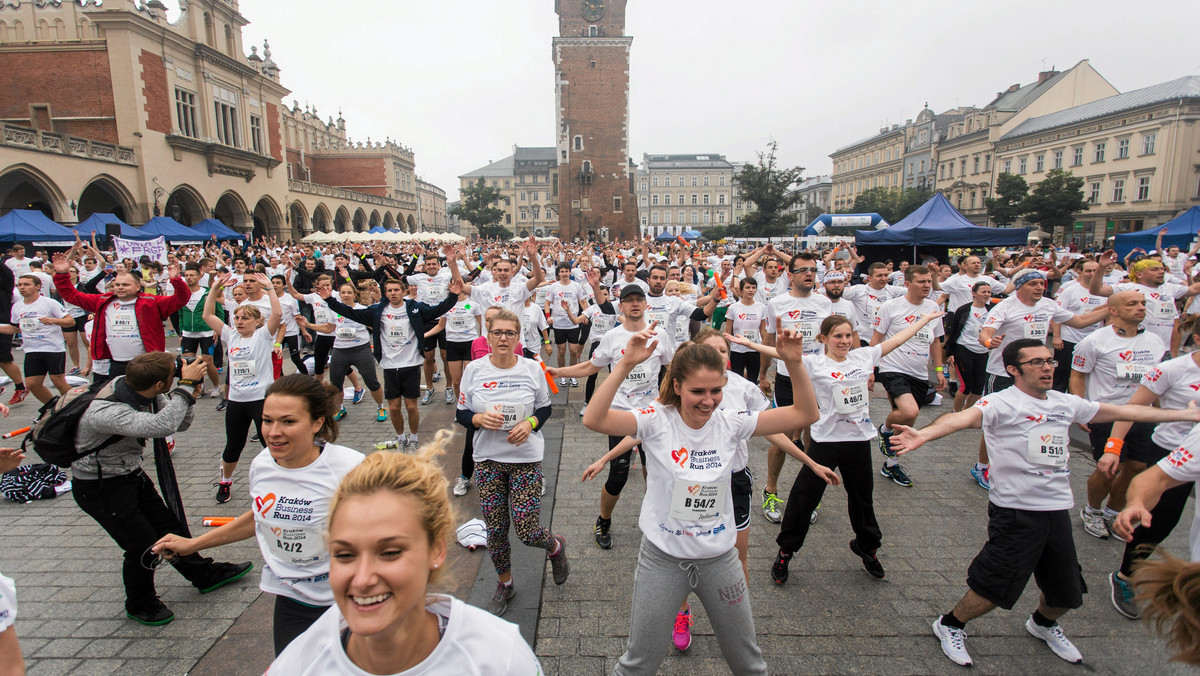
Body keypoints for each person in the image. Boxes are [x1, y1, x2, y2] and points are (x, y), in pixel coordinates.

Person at [889, 338, 1200, 668]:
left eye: (1049, 361)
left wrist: (1183, 414)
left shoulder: (1065, 403)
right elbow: (960, 419)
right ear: (1013, 370)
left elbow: (1126, 410)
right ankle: (949, 624)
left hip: (1057, 510)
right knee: (993, 589)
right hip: (1015, 511)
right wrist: (922, 434)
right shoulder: (1001, 403)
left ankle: (1043, 623)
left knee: (1067, 591)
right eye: (1036, 362)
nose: (1047, 368)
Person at [583, 325, 819, 675]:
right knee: (638, 663)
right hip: (662, 560)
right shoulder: (655, 420)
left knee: (749, 663)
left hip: (719, 562)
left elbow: (805, 415)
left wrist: (795, 364)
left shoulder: (731, 423)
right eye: (697, 391)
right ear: (676, 386)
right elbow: (594, 418)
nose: (708, 401)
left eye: (716, 391)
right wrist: (625, 365)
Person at [266, 434, 543, 674]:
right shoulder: (300, 663)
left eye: (389, 552)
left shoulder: (499, 659)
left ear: (436, 549)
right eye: (345, 555)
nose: (362, 579)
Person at [152, 375, 365, 655]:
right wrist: (193, 545)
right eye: (267, 421)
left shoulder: (351, 468)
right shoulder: (262, 464)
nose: (274, 432)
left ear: (317, 423)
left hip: (351, 599)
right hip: (294, 599)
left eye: (288, 421)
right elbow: (260, 518)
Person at [71, 352, 253, 625]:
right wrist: (187, 387)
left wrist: (186, 391)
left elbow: (181, 422)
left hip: (127, 473)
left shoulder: (139, 388)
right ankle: (140, 603)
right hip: (98, 486)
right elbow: (161, 425)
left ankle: (203, 575)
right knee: (142, 544)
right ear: (158, 384)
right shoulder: (107, 411)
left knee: (169, 526)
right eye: (173, 374)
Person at [768, 309, 942, 584]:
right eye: (838, 336)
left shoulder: (864, 356)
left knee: (862, 499)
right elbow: (781, 355)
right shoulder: (815, 363)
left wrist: (925, 320)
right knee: (804, 498)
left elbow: (898, 339)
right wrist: (743, 343)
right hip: (825, 442)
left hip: (859, 441)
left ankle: (867, 547)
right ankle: (785, 551)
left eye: (849, 335)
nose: (845, 340)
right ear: (823, 338)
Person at [456, 308, 568, 616]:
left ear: (518, 337)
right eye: (497, 332)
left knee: (527, 529)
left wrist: (530, 424)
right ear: (487, 336)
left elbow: (545, 409)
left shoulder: (532, 369)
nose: (503, 338)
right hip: (488, 460)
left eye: (510, 333)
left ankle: (555, 546)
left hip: (525, 458)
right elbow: (461, 413)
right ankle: (505, 584)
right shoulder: (474, 370)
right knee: (495, 529)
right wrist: (477, 418)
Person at [547, 285, 676, 550]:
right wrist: (559, 372)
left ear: (646, 305)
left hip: (652, 414)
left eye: (639, 299)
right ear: (621, 307)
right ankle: (603, 519)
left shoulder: (659, 334)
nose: (635, 304)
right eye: (629, 300)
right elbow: (591, 366)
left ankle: (658, 520)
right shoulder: (612, 337)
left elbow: (671, 368)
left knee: (656, 472)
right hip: (620, 414)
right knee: (618, 474)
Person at [971, 268, 1107, 490]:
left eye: (1041, 283)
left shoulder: (1048, 304)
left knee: (1030, 418)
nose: (1039, 287)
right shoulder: (1006, 306)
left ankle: (1021, 464)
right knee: (995, 421)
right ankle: (982, 466)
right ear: (1019, 287)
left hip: (1034, 374)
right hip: (1004, 372)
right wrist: (989, 342)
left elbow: (1080, 321)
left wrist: (1111, 309)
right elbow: (986, 332)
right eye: (1033, 283)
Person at [1101, 314, 1200, 619]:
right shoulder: (1171, 370)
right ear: (1197, 339)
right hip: (1170, 453)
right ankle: (1126, 576)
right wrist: (1113, 447)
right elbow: (1133, 407)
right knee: (1158, 523)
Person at [321, 277, 459, 452]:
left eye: (396, 290)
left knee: (411, 406)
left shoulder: (414, 308)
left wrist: (453, 296)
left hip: (411, 364)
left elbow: (436, 310)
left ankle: (414, 437)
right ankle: (401, 438)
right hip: (389, 365)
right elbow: (349, 312)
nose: (393, 293)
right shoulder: (378, 310)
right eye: (390, 291)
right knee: (394, 407)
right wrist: (329, 300)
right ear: (386, 293)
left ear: (403, 291)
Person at [1069, 291, 1164, 542]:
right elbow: (1077, 375)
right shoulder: (1095, 340)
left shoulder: (1155, 341)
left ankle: (1112, 511)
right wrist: (1080, 408)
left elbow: (1158, 381)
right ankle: (1092, 510)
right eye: (1132, 304)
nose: (1140, 308)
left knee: (1137, 467)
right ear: (1113, 310)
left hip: (1143, 415)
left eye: (1143, 304)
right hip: (1107, 414)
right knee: (1110, 467)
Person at [759, 252, 831, 522]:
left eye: (813, 269)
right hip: (787, 376)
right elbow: (768, 339)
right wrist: (762, 373)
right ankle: (771, 489)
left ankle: (808, 496)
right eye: (802, 270)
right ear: (789, 275)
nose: (809, 274)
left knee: (815, 437)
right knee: (783, 437)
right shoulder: (776, 303)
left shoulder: (825, 303)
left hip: (818, 375)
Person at [52, 249, 189, 383]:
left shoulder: (151, 302)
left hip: (146, 362)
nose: (120, 287)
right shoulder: (103, 301)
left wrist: (176, 280)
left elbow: (180, 300)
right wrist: (61, 274)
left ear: (137, 287)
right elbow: (72, 296)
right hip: (116, 363)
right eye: (117, 284)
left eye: (125, 284)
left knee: (150, 400)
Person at [204, 272, 282, 503]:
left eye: (244, 318)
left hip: (261, 400)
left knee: (270, 443)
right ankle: (225, 481)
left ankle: (277, 482)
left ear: (256, 321)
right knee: (233, 445)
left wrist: (269, 288)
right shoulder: (230, 336)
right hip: (237, 401)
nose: (239, 321)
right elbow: (208, 314)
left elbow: (277, 314)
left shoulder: (263, 336)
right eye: (237, 318)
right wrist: (215, 287)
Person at [870, 264, 946, 488]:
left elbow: (936, 341)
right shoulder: (891, 307)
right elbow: (876, 340)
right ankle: (884, 429)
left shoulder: (932, 307)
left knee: (908, 421)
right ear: (907, 284)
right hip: (893, 367)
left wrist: (939, 370)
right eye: (921, 281)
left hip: (920, 372)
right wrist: (870, 370)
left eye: (929, 281)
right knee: (908, 411)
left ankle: (891, 464)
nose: (926, 285)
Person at [298, 282, 385, 423]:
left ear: (354, 294)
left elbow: (376, 326)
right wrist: (307, 325)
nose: (346, 295)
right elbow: (328, 328)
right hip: (340, 350)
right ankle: (340, 408)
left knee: (372, 382)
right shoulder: (334, 310)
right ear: (339, 294)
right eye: (343, 293)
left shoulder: (362, 309)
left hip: (361, 350)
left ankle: (380, 407)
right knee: (336, 383)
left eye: (349, 292)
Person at [0, 274, 73, 403]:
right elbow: (15, 328)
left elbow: (70, 321)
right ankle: (52, 408)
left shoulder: (49, 303)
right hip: (31, 350)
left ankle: (76, 406)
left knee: (58, 381)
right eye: (20, 285)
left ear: (38, 286)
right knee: (32, 384)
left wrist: (53, 320)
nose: (22, 288)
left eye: (26, 284)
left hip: (53, 348)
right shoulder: (17, 307)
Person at [724, 277, 767, 381]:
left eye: (753, 287)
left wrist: (765, 349)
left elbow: (763, 331)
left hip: (754, 349)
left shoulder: (761, 307)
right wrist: (725, 352)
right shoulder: (733, 308)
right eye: (748, 287)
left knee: (752, 379)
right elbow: (727, 331)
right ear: (742, 290)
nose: (751, 290)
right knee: (736, 379)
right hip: (737, 350)